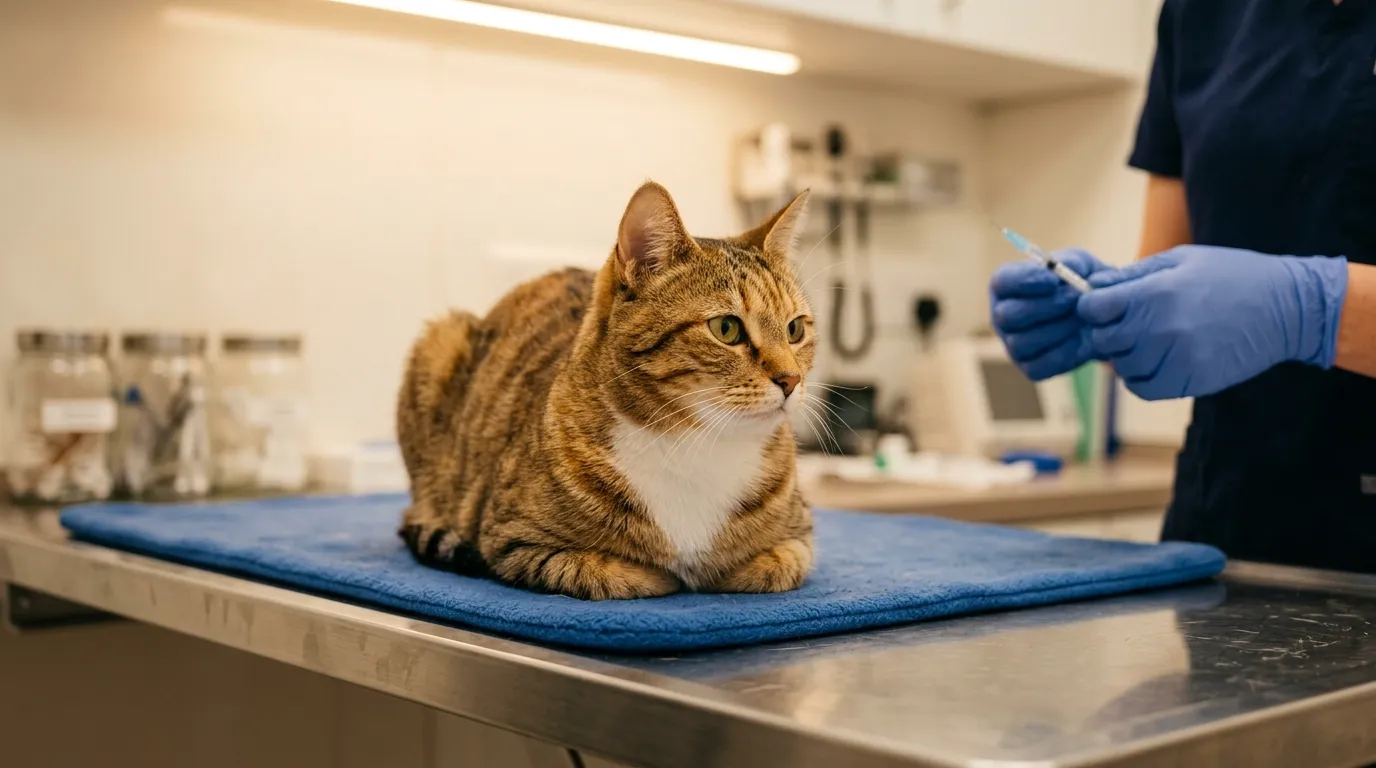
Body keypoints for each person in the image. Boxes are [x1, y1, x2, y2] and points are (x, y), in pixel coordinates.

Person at [988, 0, 1376, 573]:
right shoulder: (1199, 16)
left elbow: (1264, 307)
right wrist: (1102, 315)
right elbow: (1167, 281)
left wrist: (1312, 308)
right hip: (1229, 525)